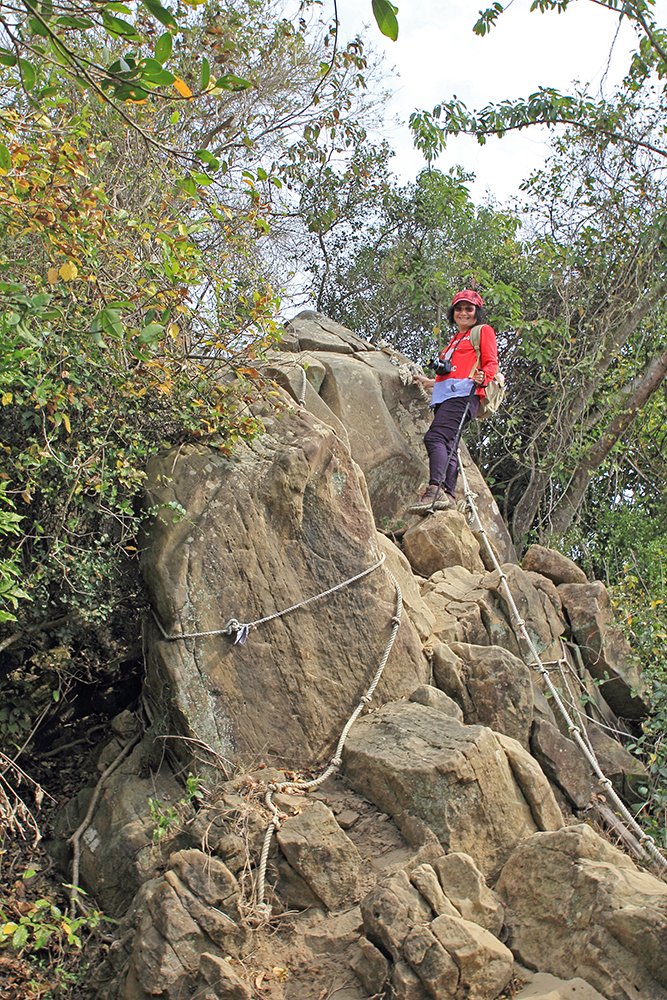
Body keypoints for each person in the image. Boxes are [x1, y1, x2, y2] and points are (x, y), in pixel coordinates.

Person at [412, 289, 498, 507]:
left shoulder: (482, 331)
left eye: (469, 309)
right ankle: (448, 494)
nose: (464, 313)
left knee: (435, 437)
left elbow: (491, 363)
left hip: (464, 395)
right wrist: (427, 381)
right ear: (453, 313)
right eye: (459, 309)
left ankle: (435, 488)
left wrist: (483, 377)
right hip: (446, 396)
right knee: (449, 443)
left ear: (477, 311)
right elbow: (452, 372)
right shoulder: (454, 340)